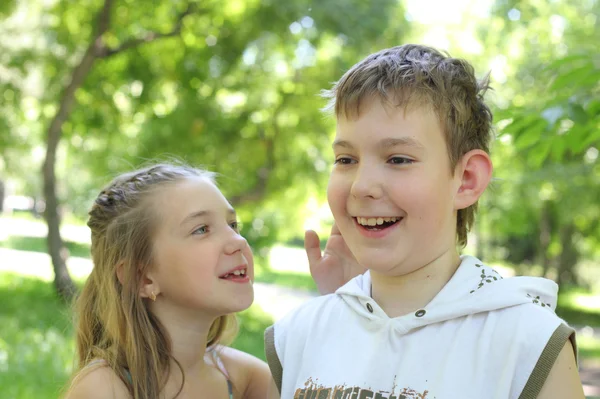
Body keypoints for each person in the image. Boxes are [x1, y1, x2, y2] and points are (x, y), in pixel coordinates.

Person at [265, 44, 585, 399]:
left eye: (398, 159)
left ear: (466, 180)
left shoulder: (529, 345)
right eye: (345, 159)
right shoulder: (297, 336)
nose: (362, 186)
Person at [64, 163, 271, 399]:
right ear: (141, 278)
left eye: (233, 225)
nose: (238, 241)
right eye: (202, 229)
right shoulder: (106, 389)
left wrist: (324, 300)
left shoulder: (244, 378)